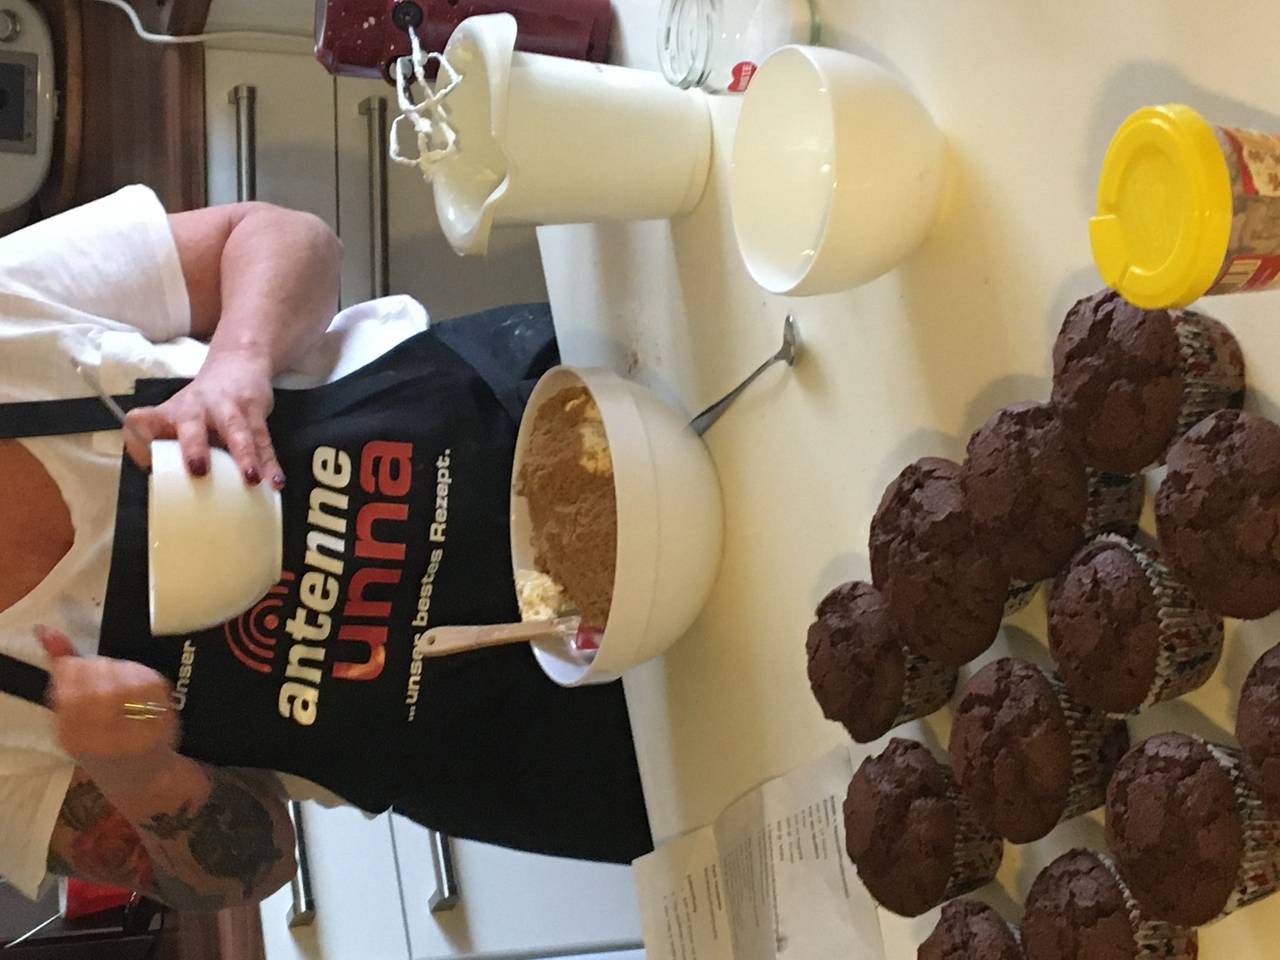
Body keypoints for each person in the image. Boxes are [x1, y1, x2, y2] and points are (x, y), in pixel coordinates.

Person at [0, 186, 651, 911]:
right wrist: (141, 768)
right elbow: (254, 867)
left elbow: (288, 237)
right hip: (547, 732)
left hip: (548, 425)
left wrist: (237, 363)